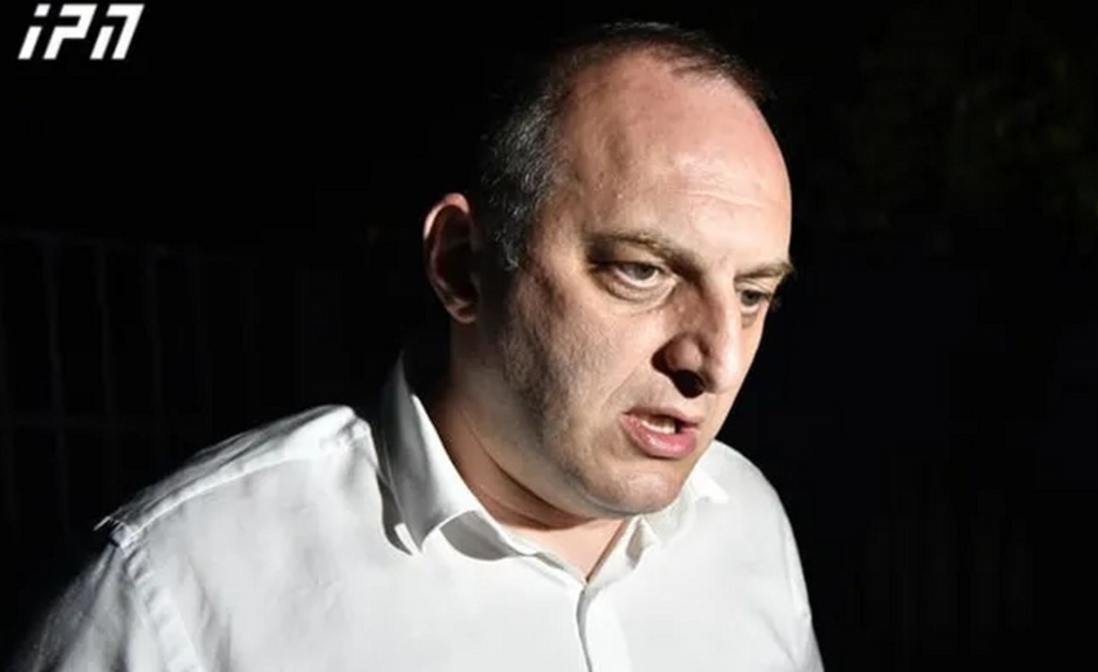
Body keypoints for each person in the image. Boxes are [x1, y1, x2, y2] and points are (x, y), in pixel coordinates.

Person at [10, 21, 823, 671]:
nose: (716, 361)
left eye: (752, 294)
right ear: (462, 265)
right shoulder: (176, 591)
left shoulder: (747, 521)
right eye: (641, 272)